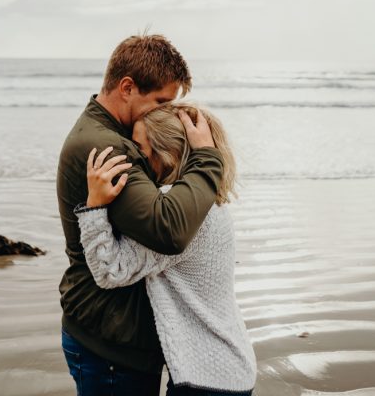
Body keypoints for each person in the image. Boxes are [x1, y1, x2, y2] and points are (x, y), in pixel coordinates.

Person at [56, 34, 225, 395]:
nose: (166, 112)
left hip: (114, 335)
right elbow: (168, 229)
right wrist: (207, 158)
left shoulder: (110, 132)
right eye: (161, 101)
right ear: (128, 87)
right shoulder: (108, 146)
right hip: (110, 343)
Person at [75, 103, 257, 395]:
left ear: (167, 154)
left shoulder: (175, 212)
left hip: (204, 378)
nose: (133, 157)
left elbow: (110, 271)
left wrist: (94, 206)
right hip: (232, 367)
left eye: (139, 148)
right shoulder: (210, 203)